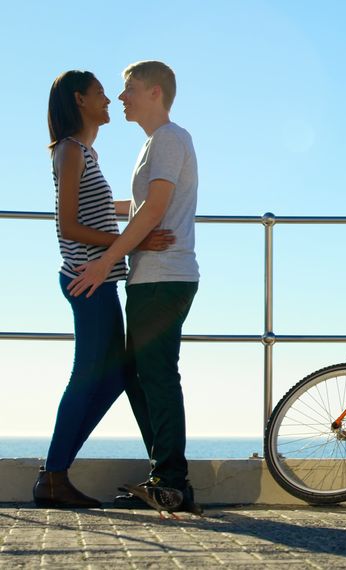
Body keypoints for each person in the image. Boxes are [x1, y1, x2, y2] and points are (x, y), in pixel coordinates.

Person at [35, 70, 173, 508]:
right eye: (100, 93)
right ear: (79, 100)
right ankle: (53, 476)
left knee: (115, 375)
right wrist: (131, 239)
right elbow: (69, 224)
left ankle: (55, 472)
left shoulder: (85, 152)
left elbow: (99, 209)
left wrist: (150, 210)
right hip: (85, 278)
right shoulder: (70, 152)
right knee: (87, 375)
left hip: (100, 278)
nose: (110, 99)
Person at [67, 60, 200, 514]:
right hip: (152, 277)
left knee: (157, 375)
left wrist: (105, 260)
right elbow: (142, 204)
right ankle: (166, 476)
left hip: (165, 276)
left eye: (129, 90)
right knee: (136, 373)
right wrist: (94, 206)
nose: (121, 98)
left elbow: (153, 211)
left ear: (155, 93)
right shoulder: (155, 144)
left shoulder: (168, 139)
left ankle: (172, 483)